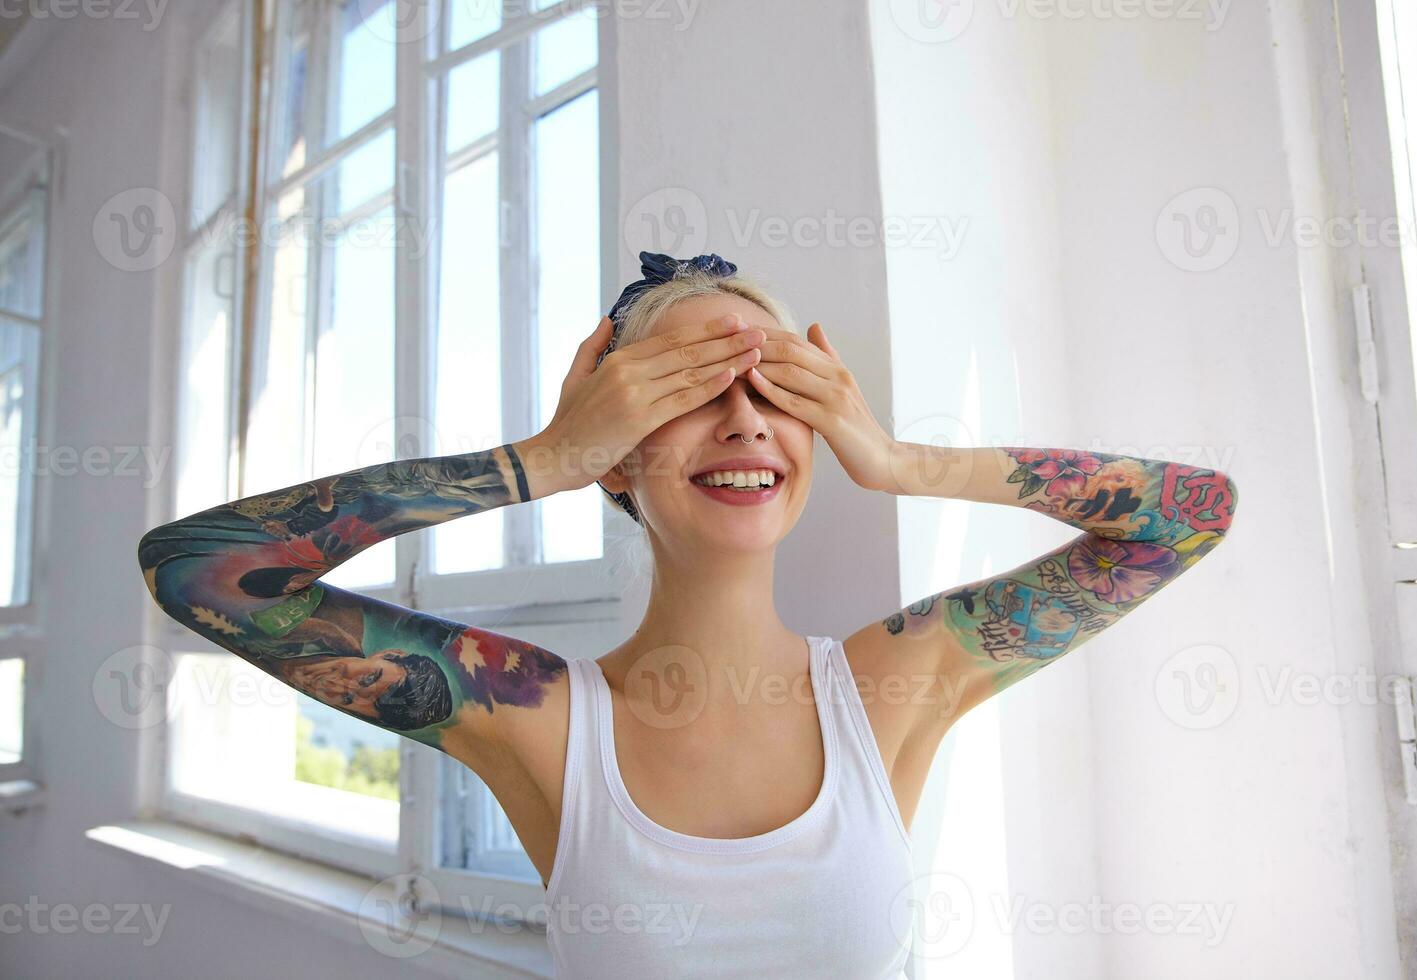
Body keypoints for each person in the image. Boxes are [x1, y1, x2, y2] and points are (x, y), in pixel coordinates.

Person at [137, 250, 1238, 977]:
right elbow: (203, 571)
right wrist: (538, 461)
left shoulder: (892, 684)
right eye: (692, 389)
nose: (746, 421)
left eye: (780, 390)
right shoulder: (539, 717)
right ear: (619, 457)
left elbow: (1191, 515)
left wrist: (903, 459)